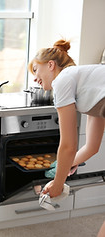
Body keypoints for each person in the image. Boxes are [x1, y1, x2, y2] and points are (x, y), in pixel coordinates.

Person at [28, 39, 105, 199]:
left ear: (50, 65)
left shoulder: (62, 80)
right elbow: (92, 147)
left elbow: (69, 145)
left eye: (35, 70)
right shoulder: (87, 87)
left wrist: (58, 183)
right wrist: (66, 164)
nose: (35, 78)